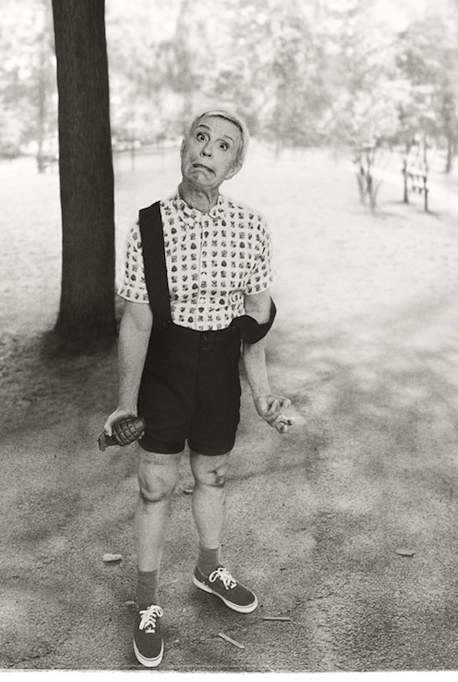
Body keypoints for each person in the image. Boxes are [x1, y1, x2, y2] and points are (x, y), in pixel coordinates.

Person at [104, 109, 294, 668]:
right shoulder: (149, 226)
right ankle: (147, 603)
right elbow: (137, 322)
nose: (208, 150)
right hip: (166, 365)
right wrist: (125, 402)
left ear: (234, 165)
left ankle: (208, 567)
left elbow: (254, 325)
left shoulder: (251, 227)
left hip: (218, 372)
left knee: (212, 475)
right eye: (201, 138)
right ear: (183, 146)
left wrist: (261, 394)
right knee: (155, 487)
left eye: (223, 146)